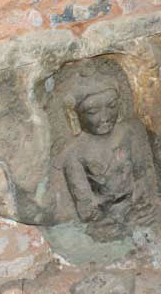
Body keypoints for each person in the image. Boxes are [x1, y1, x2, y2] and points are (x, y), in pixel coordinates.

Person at [61, 73, 156, 241]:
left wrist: (142, 201)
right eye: (92, 111)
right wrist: (112, 216)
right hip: (106, 218)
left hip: (137, 206)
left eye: (111, 106)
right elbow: (85, 206)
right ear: (75, 115)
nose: (105, 117)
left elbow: (143, 174)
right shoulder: (74, 153)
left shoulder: (128, 133)